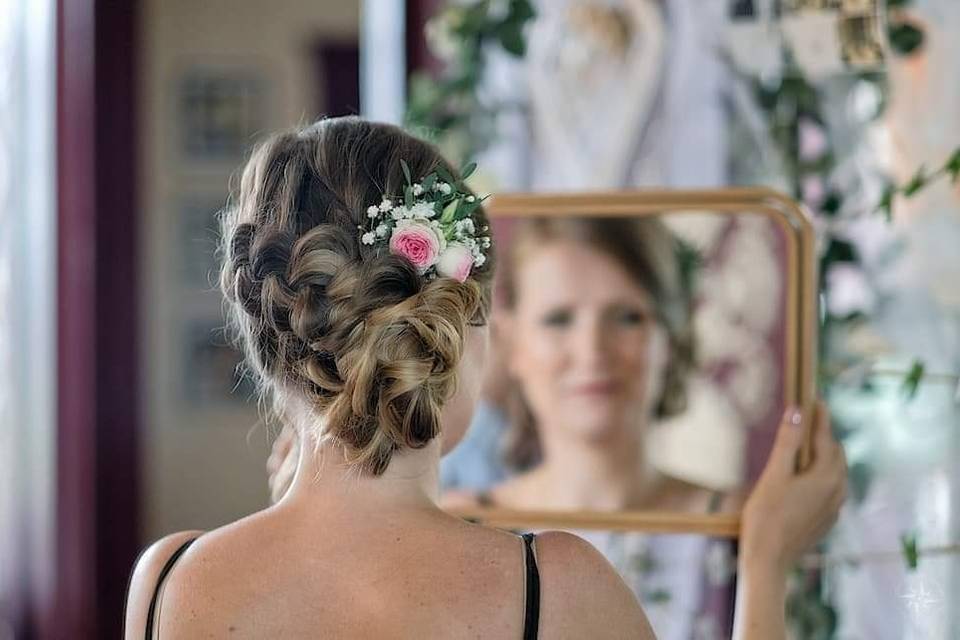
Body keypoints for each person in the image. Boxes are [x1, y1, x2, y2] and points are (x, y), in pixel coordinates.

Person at [125, 117, 846, 639]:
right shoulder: (555, 591)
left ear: (269, 345)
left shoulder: (169, 585)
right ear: (460, 327)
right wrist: (767, 562)